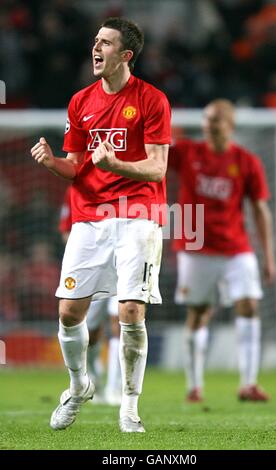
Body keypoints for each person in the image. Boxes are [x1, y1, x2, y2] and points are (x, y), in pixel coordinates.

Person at [30, 17, 171, 432]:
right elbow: (75, 166)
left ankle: (129, 406)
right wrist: (52, 162)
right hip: (89, 218)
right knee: (70, 312)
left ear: (125, 55)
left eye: (106, 43)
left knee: (130, 310)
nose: (96, 48)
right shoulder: (80, 102)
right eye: (96, 41)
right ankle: (79, 387)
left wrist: (115, 163)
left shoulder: (152, 100)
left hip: (137, 214)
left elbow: (158, 168)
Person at [169, 99, 276, 402]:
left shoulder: (246, 161)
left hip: (235, 247)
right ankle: (194, 386)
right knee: (199, 313)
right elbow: (156, 154)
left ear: (229, 124)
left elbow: (260, 210)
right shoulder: (188, 152)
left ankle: (249, 383)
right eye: (205, 119)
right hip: (196, 245)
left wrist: (269, 256)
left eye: (215, 119)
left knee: (250, 306)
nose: (208, 124)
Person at [59, 187, 121, 405]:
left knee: (119, 323)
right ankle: (94, 380)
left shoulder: (127, 183)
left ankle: (116, 388)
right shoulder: (77, 188)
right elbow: (67, 230)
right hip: (92, 267)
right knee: (92, 333)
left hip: (121, 265)